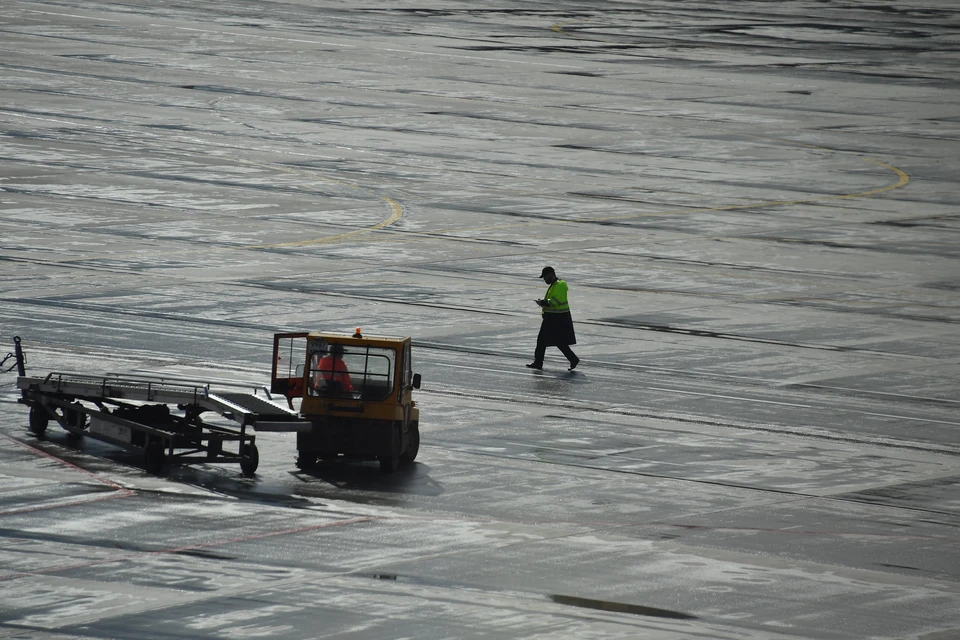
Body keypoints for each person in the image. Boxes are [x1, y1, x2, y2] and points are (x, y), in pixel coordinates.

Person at [527, 266, 580, 371]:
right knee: (557, 342)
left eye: (545, 277)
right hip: (552, 317)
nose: (544, 279)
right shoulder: (554, 285)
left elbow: (556, 301)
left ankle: (539, 363)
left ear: (551, 274)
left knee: (544, 341)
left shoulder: (560, 284)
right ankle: (573, 359)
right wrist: (544, 302)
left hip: (557, 318)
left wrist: (543, 302)